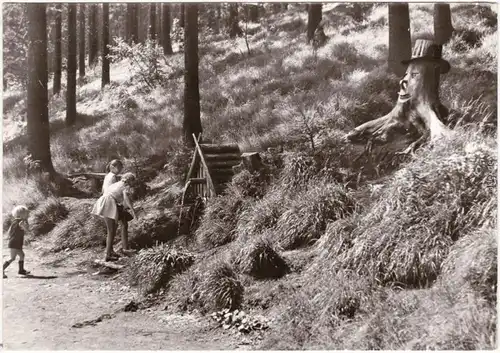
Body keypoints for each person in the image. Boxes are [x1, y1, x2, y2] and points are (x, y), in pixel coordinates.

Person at [92, 172, 137, 261]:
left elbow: (118, 198)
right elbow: (126, 199)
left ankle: (125, 248)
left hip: (106, 201)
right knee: (111, 230)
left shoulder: (117, 184)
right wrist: (133, 211)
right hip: (108, 203)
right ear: (130, 180)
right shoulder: (125, 186)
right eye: (133, 182)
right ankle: (108, 254)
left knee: (124, 223)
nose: (133, 184)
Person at [101, 159, 135, 257]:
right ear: (112, 167)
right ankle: (123, 249)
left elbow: (105, 191)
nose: (120, 170)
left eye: (121, 168)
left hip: (108, 201)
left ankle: (112, 250)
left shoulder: (108, 176)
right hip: (110, 203)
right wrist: (129, 208)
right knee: (120, 225)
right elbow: (118, 193)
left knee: (119, 225)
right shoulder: (113, 177)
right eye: (119, 168)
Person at [3, 205, 31, 278]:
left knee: (22, 255)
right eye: (27, 214)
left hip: (15, 242)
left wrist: (10, 237)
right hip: (15, 243)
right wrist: (25, 225)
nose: (28, 215)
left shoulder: (14, 221)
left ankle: (21, 270)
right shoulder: (21, 222)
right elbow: (27, 230)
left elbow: (9, 231)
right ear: (22, 215)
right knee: (12, 258)